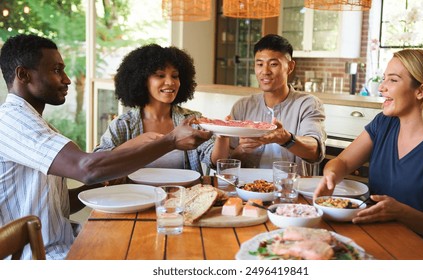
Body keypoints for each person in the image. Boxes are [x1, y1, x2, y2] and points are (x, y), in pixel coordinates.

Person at [0, 34, 212, 260]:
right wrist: (170, 141)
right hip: (43, 257)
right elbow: (87, 168)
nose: (67, 79)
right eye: (56, 70)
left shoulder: (37, 123)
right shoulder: (12, 122)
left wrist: (99, 183)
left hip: (67, 242)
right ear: (23, 75)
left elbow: (63, 206)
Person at [314, 49, 423, 259]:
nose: (382, 87)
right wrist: (331, 175)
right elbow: (343, 162)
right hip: (381, 235)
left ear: (421, 90)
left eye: (392, 80)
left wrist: (400, 212)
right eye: (384, 79)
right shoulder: (383, 124)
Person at [93, 44, 229, 174]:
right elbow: (96, 163)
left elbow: (215, 162)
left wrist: (223, 135)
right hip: (137, 196)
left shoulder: (192, 120)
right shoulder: (124, 124)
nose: (170, 82)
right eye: (160, 75)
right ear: (142, 80)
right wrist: (133, 144)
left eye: (175, 76)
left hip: (184, 195)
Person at [228, 34, 326, 174]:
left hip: (293, 190)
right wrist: (241, 150)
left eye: (273, 64)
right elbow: (227, 159)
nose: (265, 71)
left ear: (290, 67)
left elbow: (315, 151)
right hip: (248, 189)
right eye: (260, 64)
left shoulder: (308, 104)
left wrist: (286, 138)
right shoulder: (242, 106)